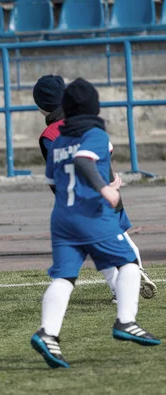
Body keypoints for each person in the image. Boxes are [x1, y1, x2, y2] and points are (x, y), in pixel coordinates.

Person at [31, 78, 160, 370]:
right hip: (91, 212)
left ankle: (48, 333)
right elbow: (86, 161)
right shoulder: (95, 134)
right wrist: (107, 188)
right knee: (127, 262)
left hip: (62, 217)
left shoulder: (57, 140)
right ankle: (126, 321)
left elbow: (52, 179)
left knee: (64, 277)